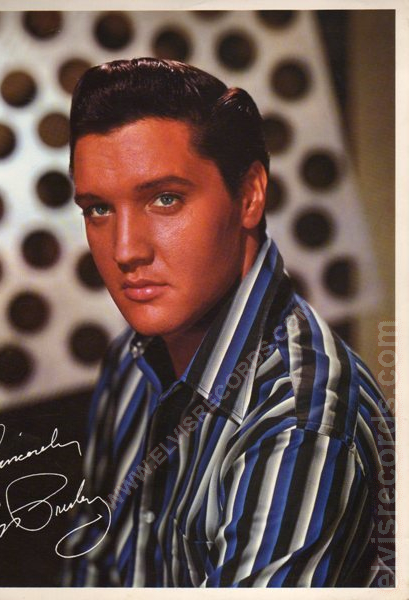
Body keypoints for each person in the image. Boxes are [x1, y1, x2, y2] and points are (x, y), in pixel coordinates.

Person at [62, 57, 395, 587]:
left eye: (165, 199)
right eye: (98, 209)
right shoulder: (130, 360)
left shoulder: (300, 424)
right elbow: (90, 570)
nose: (125, 250)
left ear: (250, 195)